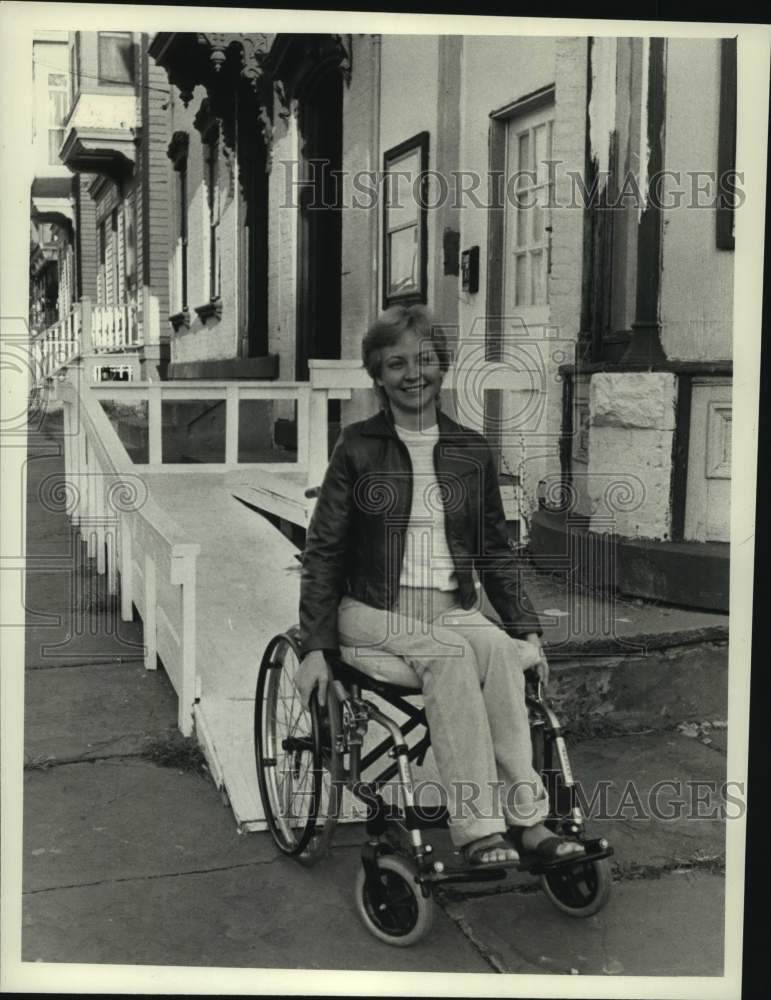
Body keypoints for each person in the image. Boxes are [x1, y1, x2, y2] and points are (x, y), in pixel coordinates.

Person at [295, 305, 584, 865]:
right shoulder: (357, 446)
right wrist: (314, 647)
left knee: (499, 652)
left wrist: (527, 631)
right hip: (370, 608)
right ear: (377, 375)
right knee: (450, 655)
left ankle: (528, 820)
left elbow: (495, 551)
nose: (412, 374)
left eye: (424, 360)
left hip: (449, 608)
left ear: (442, 367)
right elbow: (323, 551)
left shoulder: (470, 450)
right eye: (395, 363)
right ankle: (478, 829)